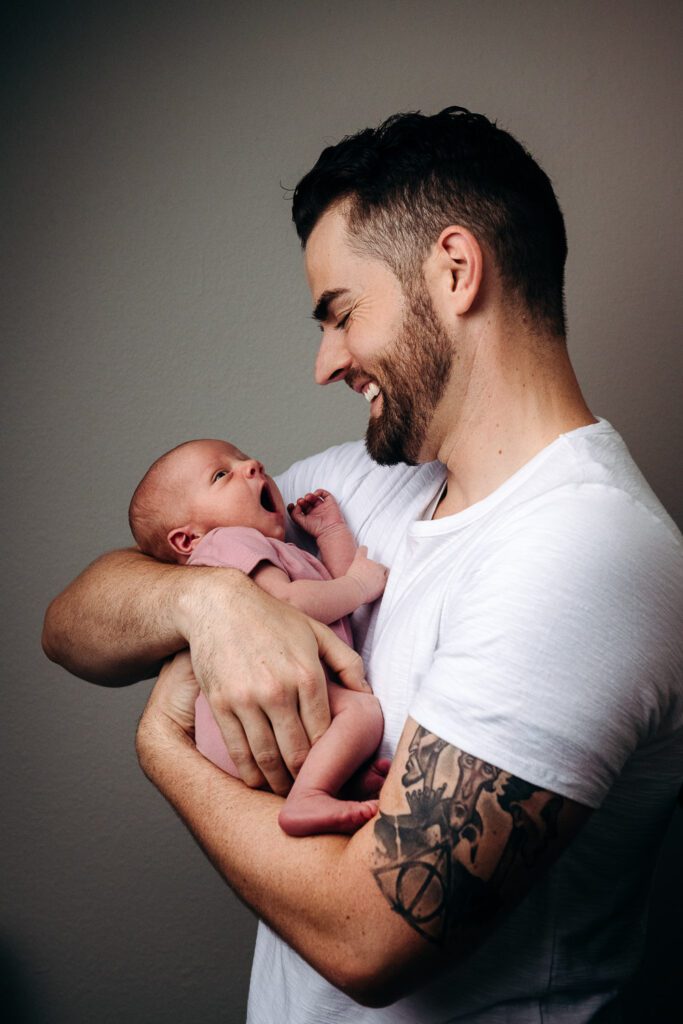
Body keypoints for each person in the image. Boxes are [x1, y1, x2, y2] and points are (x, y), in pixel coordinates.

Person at [43, 107, 683, 1022]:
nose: (324, 363)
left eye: (341, 314)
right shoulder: (359, 485)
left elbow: (368, 935)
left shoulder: (584, 552)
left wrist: (163, 749)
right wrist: (210, 605)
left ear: (454, 271)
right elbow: (71, 625)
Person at [128, 437, 387, 836]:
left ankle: (333, 780)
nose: (252, 465)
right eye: (221, 474)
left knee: (347, 722)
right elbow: (290, 604)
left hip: (267, 715)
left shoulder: (271, 551)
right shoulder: (225, 543)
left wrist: (331, 532)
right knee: (362, 712)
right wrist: (358, 585)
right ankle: (309, 795)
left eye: (243, 458)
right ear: (188, 540)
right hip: (250, 718)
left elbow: (336, 595)